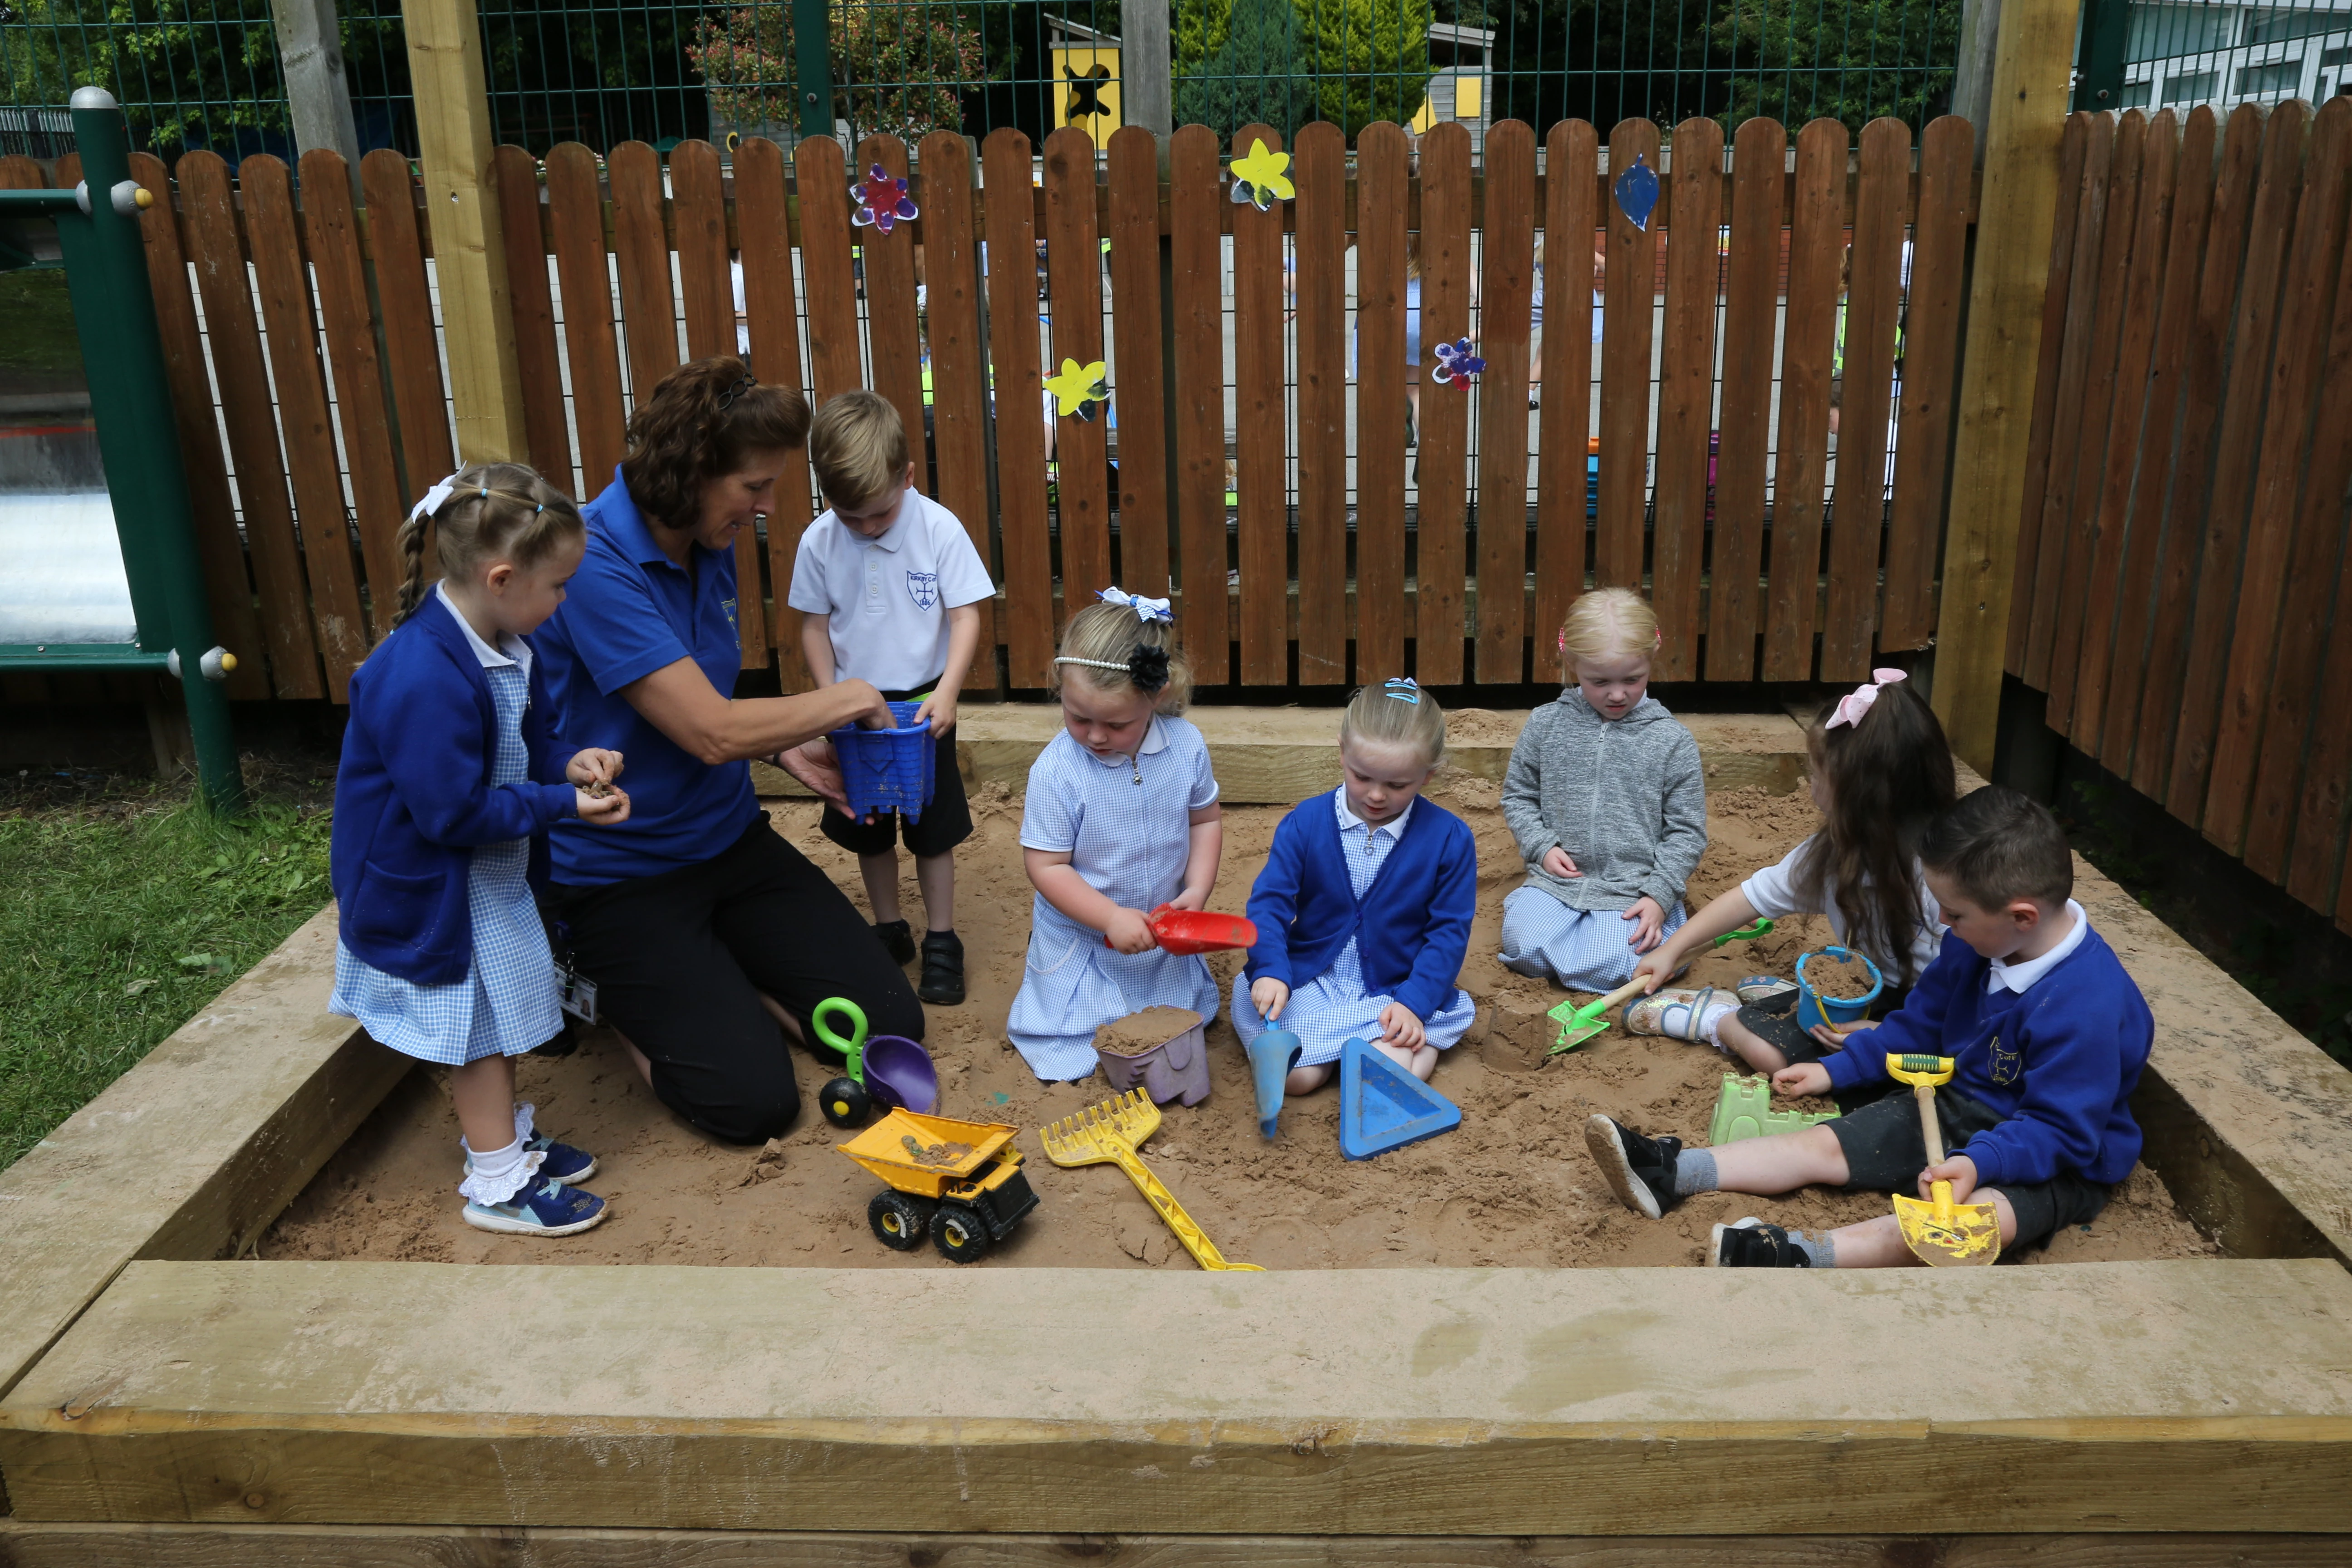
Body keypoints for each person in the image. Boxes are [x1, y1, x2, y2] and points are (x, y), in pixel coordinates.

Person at [534, 357, 925, 1147]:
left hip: (726, 841)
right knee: (749, 1103)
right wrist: (850, 697)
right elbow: (709, 729)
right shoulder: (590, 562)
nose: (767, 506)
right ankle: (609, 991)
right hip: (621, 873)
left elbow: (688, 705)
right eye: (753, 487)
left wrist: (784, 752)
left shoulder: (704, 541)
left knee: (891, 1024)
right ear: (689, 474)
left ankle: (714, 976)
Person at [1585, 787, 2154, 1269]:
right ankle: (1672, 1172)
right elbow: (1921, 1024)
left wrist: (1980, 1161)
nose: (1945, 926)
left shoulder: (2087, 1008)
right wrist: (1838, 1071)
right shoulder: (1977, 944)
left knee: (1969, 1223)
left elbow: (2061, 1130)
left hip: (2054, 1157)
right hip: (1958, 1101)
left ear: (2022, 917)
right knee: (1826, 1145)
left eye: (1955, 915)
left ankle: (1801, 1255)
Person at [329, 464, 632, 1236]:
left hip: (478, 876)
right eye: (557, 585)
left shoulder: (498, 639)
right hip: (433, 888)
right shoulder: (422, 674)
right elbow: (452, 812)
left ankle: (505, 1139)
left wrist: (566, 761)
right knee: (479, 1030)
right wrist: (565, 804)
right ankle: (497, 1179)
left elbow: (515, 746)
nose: (563, 600)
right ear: (501, 578)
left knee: (496, 1016)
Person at [1624, 669, 1955, 1084]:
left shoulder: (1946, 881)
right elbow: (1750, 898)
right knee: (1778, 1058)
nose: (1810, 784)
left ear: (1861, 795)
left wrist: (1892, 1035)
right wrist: (1672, 950)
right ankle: (1722, 1018)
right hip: (1867, 994)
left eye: (1818, 775)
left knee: (1830, 1073)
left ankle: (1723, 1018)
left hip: (1938, 1018)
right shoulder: (1834, 854)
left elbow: (1972, 996)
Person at [789, 390, 992, 1004]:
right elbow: (813, 625)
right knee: (868, 826)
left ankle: (941, 938)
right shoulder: (821, 540)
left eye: (878, 514)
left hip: (926, 708)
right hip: (854, 710)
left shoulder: (938, 527)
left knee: (933, 829)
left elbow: (966, 616)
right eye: (851, 516)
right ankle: (888, 929)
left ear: (907, 476)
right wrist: (830, 701)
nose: (866, 528)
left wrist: (950, 693)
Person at [1007, 589, 1223, 1082]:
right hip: (1087, 939)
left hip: (1159, 930)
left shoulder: (1186, 745)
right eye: (1078, 717)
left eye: (1117, 723)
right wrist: (1108, 917)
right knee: (1077, 1045)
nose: (1096, 736)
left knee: (1171, 1020)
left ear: (1159, 695)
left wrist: (1196, 890)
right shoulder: (1058, 771)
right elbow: (1047, 866)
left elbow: (1204, 820)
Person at [1232, 678, 1478, 1093]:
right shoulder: (1306, 822)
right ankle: (1336, 1056)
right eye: (1362, 776)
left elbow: (1448, 934)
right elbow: (1270, 904)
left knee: (1380, 1075)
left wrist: (1414, 1004)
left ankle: (1418, 1045)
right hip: (1313, 978)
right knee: (1297, 1079)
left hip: (1393, 988)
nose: (1377, 795)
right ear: (1342, 752)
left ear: (1429, 775)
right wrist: (1270, 970)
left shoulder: (1450, 839)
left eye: (1398, 785)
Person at [1498, 588, 1707, 991]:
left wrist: (1659, 894)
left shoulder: (1672, 740)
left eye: (1633, 679)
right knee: (1523, 946)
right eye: (1599, 681)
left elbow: (1687, 831)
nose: (1617, 694)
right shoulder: (1545, 724)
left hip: (1633, 888)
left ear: (1652, 659)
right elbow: (1519, 796)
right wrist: (1542, 846)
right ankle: (1572, 949)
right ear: (1571, 663)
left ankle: (1607, 951)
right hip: (1558, 883)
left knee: (1619, 959)